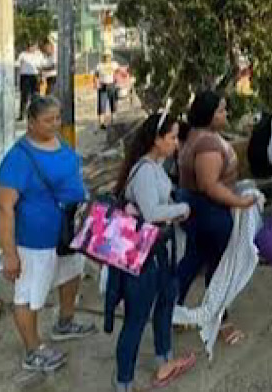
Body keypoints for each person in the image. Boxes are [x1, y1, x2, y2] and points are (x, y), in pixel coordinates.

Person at [0, 95, 96, 374]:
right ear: (30, 122)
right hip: (35, 240)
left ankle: (65, 322)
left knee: (71, 275)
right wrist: (9, 254)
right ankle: (33, 350)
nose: (55, 124)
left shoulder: (59, 143)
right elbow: (4, 209)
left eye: (57, 118)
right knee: (29, 294)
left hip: (69, 231)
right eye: (48, 120)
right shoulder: (17, 159)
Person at [112, 113, 197, 391]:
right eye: (171, 137)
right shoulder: (146, 171)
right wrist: (182, 210)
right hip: (144, 256)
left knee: (164, 305)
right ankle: (123, 381)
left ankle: (165, 361)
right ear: (156, 139)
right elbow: (151, 212)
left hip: (160, 253)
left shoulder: (156, 166)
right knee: (137, 318)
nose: (176, 143)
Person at [175, 91, 256, 345]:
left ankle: (170, 311)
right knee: (220, 267)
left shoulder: (198, 137)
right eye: (221, 110)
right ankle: (220, 320)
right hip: (209, 211)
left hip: (200, 209)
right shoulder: (207, 144)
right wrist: (240, 202)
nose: (226, 114)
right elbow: (210, 185)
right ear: (208, 115)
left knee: (192, 260)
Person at [17, 44, 44, 119]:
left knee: (35, 96)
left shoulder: (39, 55)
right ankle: (22, 114)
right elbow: (18, 65)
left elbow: (41, 66)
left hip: (35, 76)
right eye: (30, 46)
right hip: (25, 76)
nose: (32, 48)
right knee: (24, 96)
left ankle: (35, 114)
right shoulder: (23, 55)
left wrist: (41, 77)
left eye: (34, 46)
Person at [94, 53, 120, 130]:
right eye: (105, 57)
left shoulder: (114, 64)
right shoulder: (99, 66)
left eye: (108, 57)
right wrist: (96, 83)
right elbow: (96, 75)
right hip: (103, 86)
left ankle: (113, 121)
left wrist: (117, 79)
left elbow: (118, 72)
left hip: (111, 85)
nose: (106, 58)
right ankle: (102, 123)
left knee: (113, 103)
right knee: (102, 105)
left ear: (110, 57)